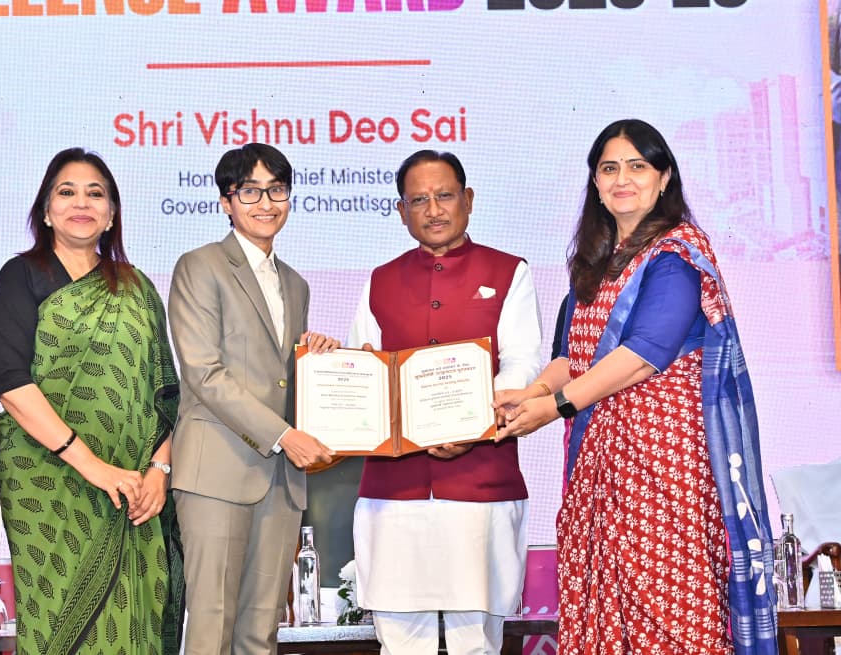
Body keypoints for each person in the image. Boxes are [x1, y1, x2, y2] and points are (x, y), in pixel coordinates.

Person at [496, 119, 777, 655]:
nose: (622, 179)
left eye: (637, 166)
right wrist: (531, 394)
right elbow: (571, 357)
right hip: (601, 468)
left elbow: (643, 355)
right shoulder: (596, 261)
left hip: (662, 467)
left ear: (664, 177)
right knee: (605, 607)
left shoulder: (677, 253)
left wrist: (555, 408)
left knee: (668, 610)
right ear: (595, 182)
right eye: (609, 168)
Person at [0, 148, 183, 655]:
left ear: (111, 214)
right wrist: (95, 468)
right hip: (48, 484)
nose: (81, 203)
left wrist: (159, 471)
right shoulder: (20, 276)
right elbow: (10, 382)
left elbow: (165, 392)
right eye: (66, 192)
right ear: (46, 211)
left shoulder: (137, 288)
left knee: (134, 616)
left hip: (135, 489)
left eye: (95, 194)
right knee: (56, 624)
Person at [346, 149, 543, 654]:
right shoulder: (380, 280)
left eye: (445, 196)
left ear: (468, 200)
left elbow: (521, 364)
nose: (433, 210)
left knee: (475, 641)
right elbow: (364, 372)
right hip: (394, 491)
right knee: (400, 641)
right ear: (401, 211)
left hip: (480, 484)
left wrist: (471, 425)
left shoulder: (509, 272)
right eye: (418, 200)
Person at [168, 142, 339, 655]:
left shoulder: (296, 284)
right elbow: (204, 373)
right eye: (250, 191)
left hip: (281, 481)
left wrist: (317, 357)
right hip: (218, 471)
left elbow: (280, 376)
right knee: (212, 627)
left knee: (261, 632)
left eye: (277, 190)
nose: (266, 203)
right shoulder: (200, 266)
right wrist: (285, 435)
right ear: (226, 201)